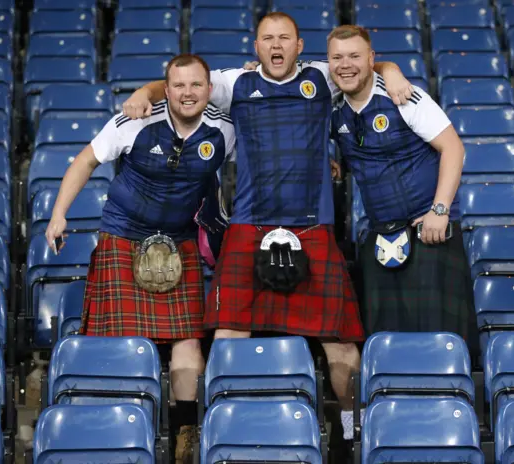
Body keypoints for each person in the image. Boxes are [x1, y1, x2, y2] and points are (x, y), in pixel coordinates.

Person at [120, 11, 413, 446]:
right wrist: (143, 93)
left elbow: (368, 65)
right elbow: (179, 84)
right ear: (255, 48)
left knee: (342, 343)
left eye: (284, 39)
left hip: (313, 228)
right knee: (227, 336)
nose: (275, 46)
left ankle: (352, 435)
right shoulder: (234, 82)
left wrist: (394, 70)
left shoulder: (322, 75)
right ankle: (223, 424)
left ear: (299, 46)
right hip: (249, 227)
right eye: (267, 39)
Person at [44, 54, 236, 464]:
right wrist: (59, 214)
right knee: (119, 344)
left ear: (209, 89)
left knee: (188, 341)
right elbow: (85, 160)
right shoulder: (135, 120)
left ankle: (185, 434)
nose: (188, 93)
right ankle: (119, 424)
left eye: (196, 86)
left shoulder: (224, 130)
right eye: (179, 86)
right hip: (123, 237)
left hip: (179, 241)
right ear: (166, 90)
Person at [328, 25, 479, 362]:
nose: (345, 64)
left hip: (429, 232)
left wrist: (439, 211)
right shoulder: (335, 108)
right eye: (337, 58)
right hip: (380, 235)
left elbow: (453, 148)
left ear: (371, 58)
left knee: (440, 345)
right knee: (387, 346)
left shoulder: (404, 96)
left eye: (354, 56)